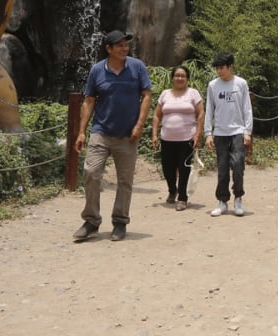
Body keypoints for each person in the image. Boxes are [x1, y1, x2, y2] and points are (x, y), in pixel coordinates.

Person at [73, 30, 152, 242]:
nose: (124, 48)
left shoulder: (137, 67)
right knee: (91, 172)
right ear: (108, 48)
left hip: (128, 135)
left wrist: (139, 125)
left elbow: (146, 96)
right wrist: (81, 131)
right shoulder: (97, 70)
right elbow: (89, 101)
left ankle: (120, 221)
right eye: (120, 45)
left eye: (126, 45)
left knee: (125, 180)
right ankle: (91, 221)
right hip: (101, 132)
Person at [204, 51, 252, 217]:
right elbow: (209, 108)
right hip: (220, 132)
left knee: (238, 165)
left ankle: (238, 198)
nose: (219, 71)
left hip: (238, 131)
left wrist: (248, 131)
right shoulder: (213, 85)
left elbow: (247, 108)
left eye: (222, 67)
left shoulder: (241, 84)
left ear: (230, 67)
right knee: (222, 169)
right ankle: (222, 201)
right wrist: (208, 133)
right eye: (217, 68)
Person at [150, 65, 204, 211]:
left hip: (187, 138)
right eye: (177, 75)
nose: (180, 78)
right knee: (167, 168)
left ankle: (182, 198)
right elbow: (156, 115)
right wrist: (154, 134)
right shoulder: (165, 94)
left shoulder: (193, 93)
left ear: (187, 79)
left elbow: (200, 114)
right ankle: (172, 190)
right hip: (167, 138)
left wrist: (198, 133)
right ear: (172, 78)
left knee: (184, 167)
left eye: (183, 76)